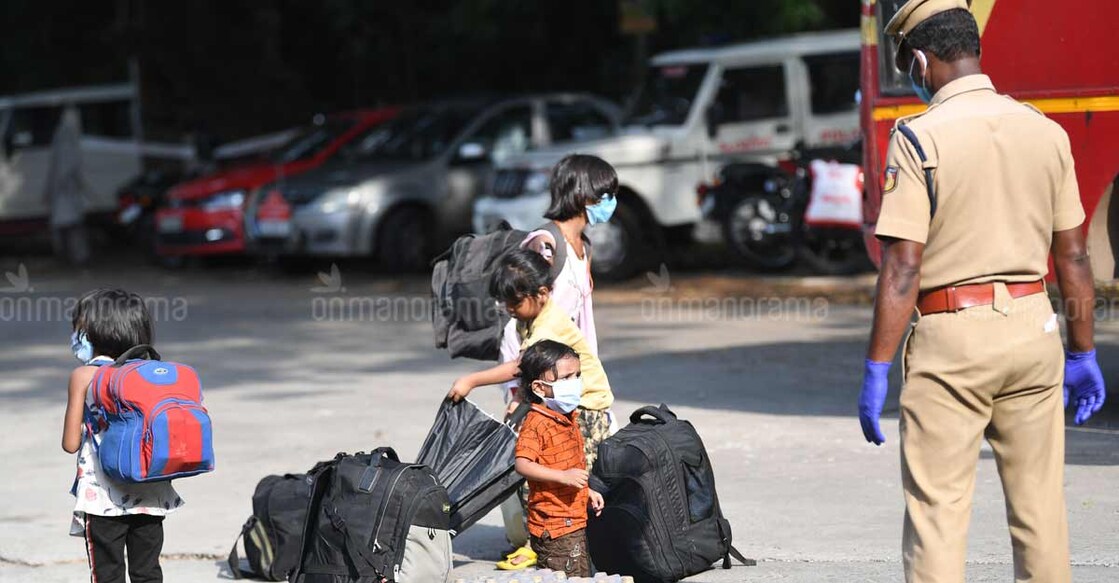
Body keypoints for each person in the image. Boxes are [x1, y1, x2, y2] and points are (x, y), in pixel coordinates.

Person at [859, 2, 1106, 582]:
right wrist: (1083, 351)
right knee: (1041, 513)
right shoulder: (1046, 131)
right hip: (1033, 330)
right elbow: (1073, 254)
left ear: (920, 60)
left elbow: (901, 269)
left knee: (939, 514)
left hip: (952, 343)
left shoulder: (917, 140)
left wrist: (876, 366)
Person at [493, 153, 618, 568]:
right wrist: (517, 390)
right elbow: (518, 325)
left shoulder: (582, 247)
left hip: (574, 384)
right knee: (544, 465)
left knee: (575, 466)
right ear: (582, 194)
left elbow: (579, 326)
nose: (611, 200)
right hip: (540, 385)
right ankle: (540, 539)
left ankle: (565, 537)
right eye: (606, 192)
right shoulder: (546, 246)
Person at [63, 289, 183, 583]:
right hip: (151, 491)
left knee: (107, 574)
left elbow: (70, 444)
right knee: (147, 572)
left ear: (93, 333)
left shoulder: (84, 376)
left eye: (79, 330)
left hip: (102, 497)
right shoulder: (152, 371)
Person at [510, 339, 605, 576]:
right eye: (565, 378)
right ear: (539, 388)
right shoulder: (536, 423)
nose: (574, 383)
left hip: (574, 521)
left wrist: (586, 491)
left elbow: (571, 468)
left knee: (580, 574)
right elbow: (522, 463)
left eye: (577, 375)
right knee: (563, 576)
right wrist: (563, 476)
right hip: (553, 527)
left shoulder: (566, 416)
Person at [43, 104, 91, 266]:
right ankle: (74, 257)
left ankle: (73, 257)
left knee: (70, 229)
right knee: (71, 229)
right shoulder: (66, 136)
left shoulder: (64, 135)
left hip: (66, 193)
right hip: (66, 193)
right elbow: (65, 167)